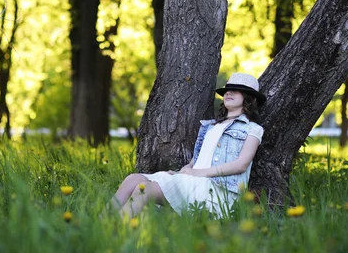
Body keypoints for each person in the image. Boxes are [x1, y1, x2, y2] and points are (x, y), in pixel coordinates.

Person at [110, 73, 265, 218]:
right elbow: (200, 157)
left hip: (217, 189)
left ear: (249, 98)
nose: (228, 93)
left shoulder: (253, 129)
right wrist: (183, 171)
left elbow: (241, 165)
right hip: (194, 180)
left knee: (144, 190)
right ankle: (101, 223)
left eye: (236, 91)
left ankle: (117, 232)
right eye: (227, 90)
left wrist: (199, 173)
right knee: (133, 179)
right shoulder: (210, 126)